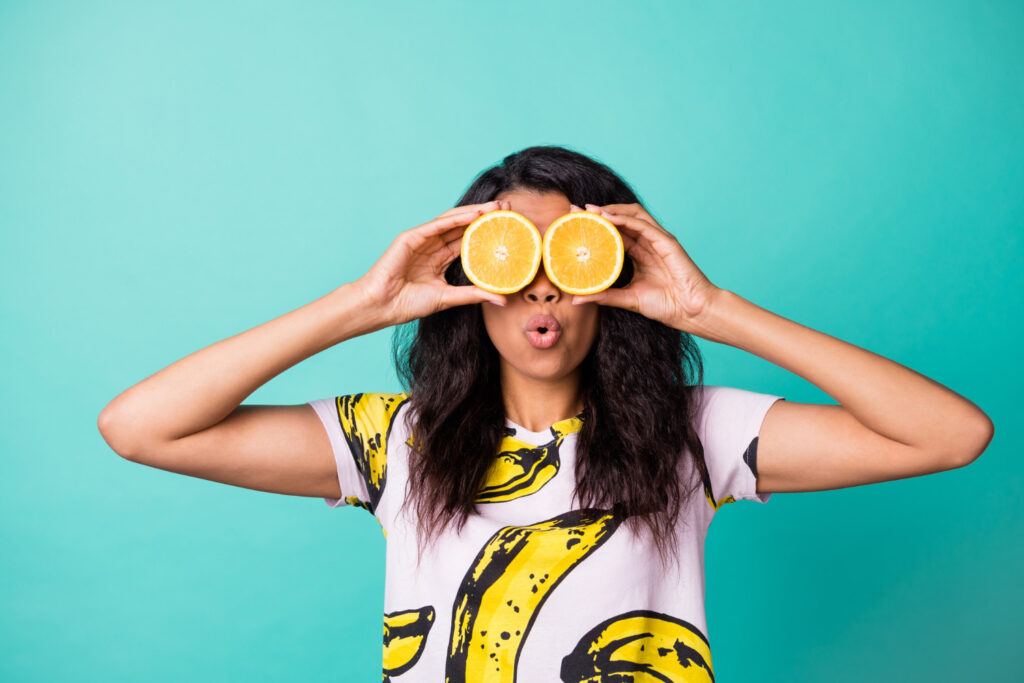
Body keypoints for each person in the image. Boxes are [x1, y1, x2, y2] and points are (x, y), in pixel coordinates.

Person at [97, 145, 993, 682]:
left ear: (610, 277)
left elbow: (952, 434)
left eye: (571, 254)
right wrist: (360, 305)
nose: (542, 285)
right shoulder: (396, 442)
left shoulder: (694, 436)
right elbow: (140, 426)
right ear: (470, 282)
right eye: (509, 256)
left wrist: (710, 309)